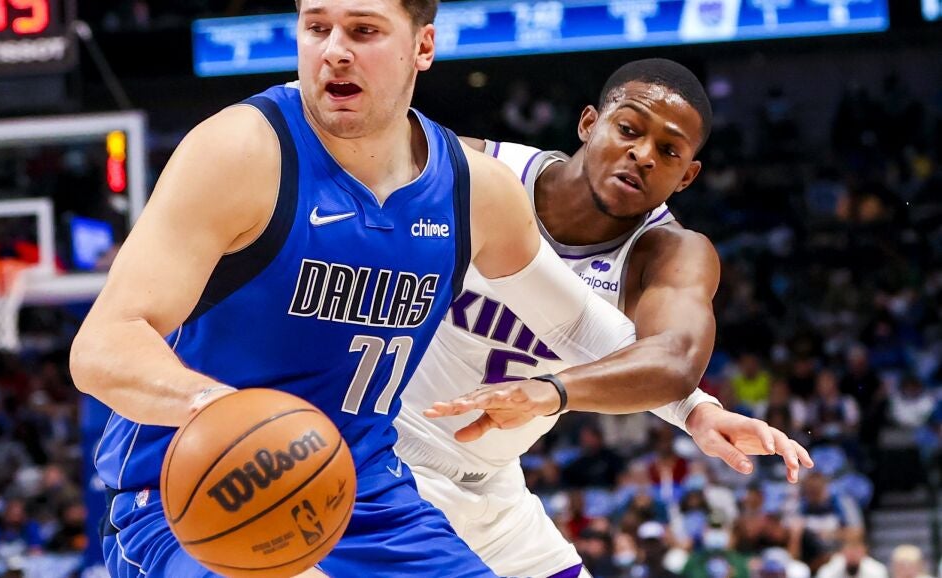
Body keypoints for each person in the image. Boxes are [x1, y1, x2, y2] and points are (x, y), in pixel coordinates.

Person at [71, 2, 685, 577]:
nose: (334, 50)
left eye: (363, 31)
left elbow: (577, 325)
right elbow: (103, 346)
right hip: (199, 496)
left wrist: (696, 412)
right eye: (317, 28)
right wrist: (223, 414)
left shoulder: (477, 190)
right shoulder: (243, 150)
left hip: (368, 493)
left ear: (423, 46)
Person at [397, 59, 813, 577]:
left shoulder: (669, 252)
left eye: (669, 151)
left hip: (495, 487)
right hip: (389, 458)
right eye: (629, 129)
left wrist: (691, 410)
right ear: (589, 123)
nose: (643, 155)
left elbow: (673, 359)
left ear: (687, 176)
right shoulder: (478, 169)